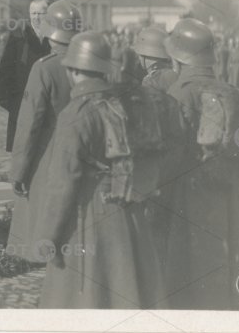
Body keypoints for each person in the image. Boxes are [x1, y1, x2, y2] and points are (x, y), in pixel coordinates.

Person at [32, 31, 168, 309]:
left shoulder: (75, 114)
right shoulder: (124, 105)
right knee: (127, 292)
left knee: (83, 299)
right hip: (128, 215)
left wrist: (49, 235)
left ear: (73, 70)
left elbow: (63, 182)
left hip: (87, 218)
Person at [164, 17, 239, 309]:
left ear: (179, 58)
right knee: (227, 256)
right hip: (227, 190)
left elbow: (171, 150)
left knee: (189, 268)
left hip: (188, 192)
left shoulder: (179, 93)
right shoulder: (229, 91)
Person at [5, 0, 81, 261]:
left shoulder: (44, 68)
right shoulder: (92, 66)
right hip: (81, 156)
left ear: (49, 32)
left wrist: (18, 171)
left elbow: (29, 124)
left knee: (38, 218)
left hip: (47, 157)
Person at [0, 0, 50, 153]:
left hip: (46, 96)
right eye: (33, 13)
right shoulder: (19, 35)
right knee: (22, 147)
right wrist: (6, 98)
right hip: (21, 97)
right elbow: (6, 67)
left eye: (41, 13)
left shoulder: (54, 36)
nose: (36, 17)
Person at [133, 26, 177, 92]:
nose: (138, 58)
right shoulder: (174, 74)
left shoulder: (150, 81)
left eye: (140, 55)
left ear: (146, 54)